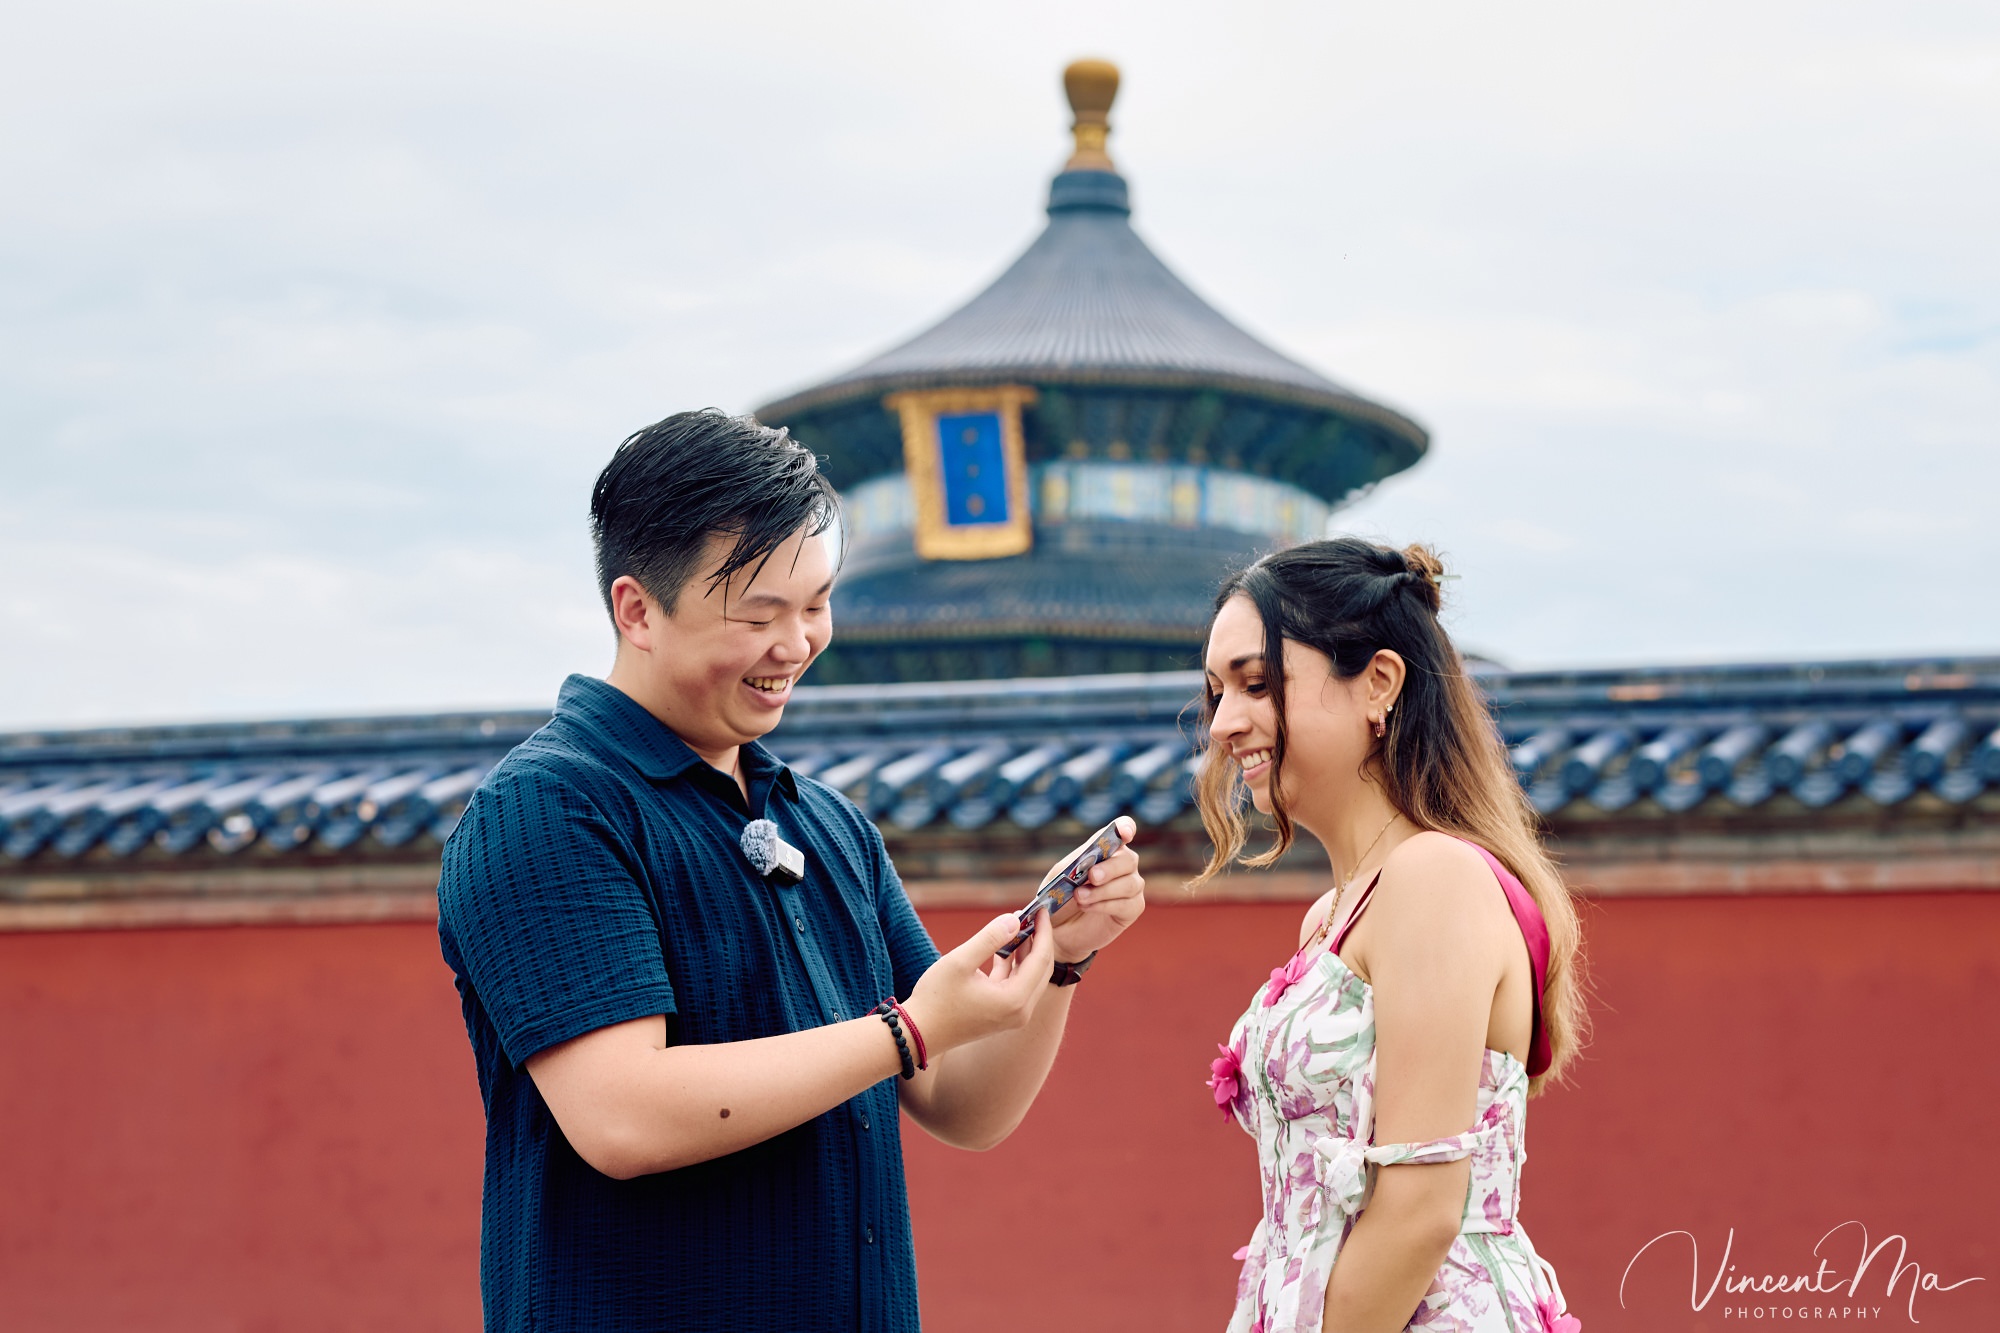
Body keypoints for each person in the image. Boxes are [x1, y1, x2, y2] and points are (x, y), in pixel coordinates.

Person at [435, 409, 1146, 1333]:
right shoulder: (548, 809)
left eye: (815, 604)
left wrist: (1057, 961)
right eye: (759, 614)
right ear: (636, 609)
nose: (798, 643)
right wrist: (907, 1030)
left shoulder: (831, 825)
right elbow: (624, 1116)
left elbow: (960, 1100)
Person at [1196, 537, 1586, 1333]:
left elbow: (1421, 1210)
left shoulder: (1432, 877)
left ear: (1378, 682)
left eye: (1258, 683)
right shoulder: (1336, 911)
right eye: (1215, 693)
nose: (1226, 723)